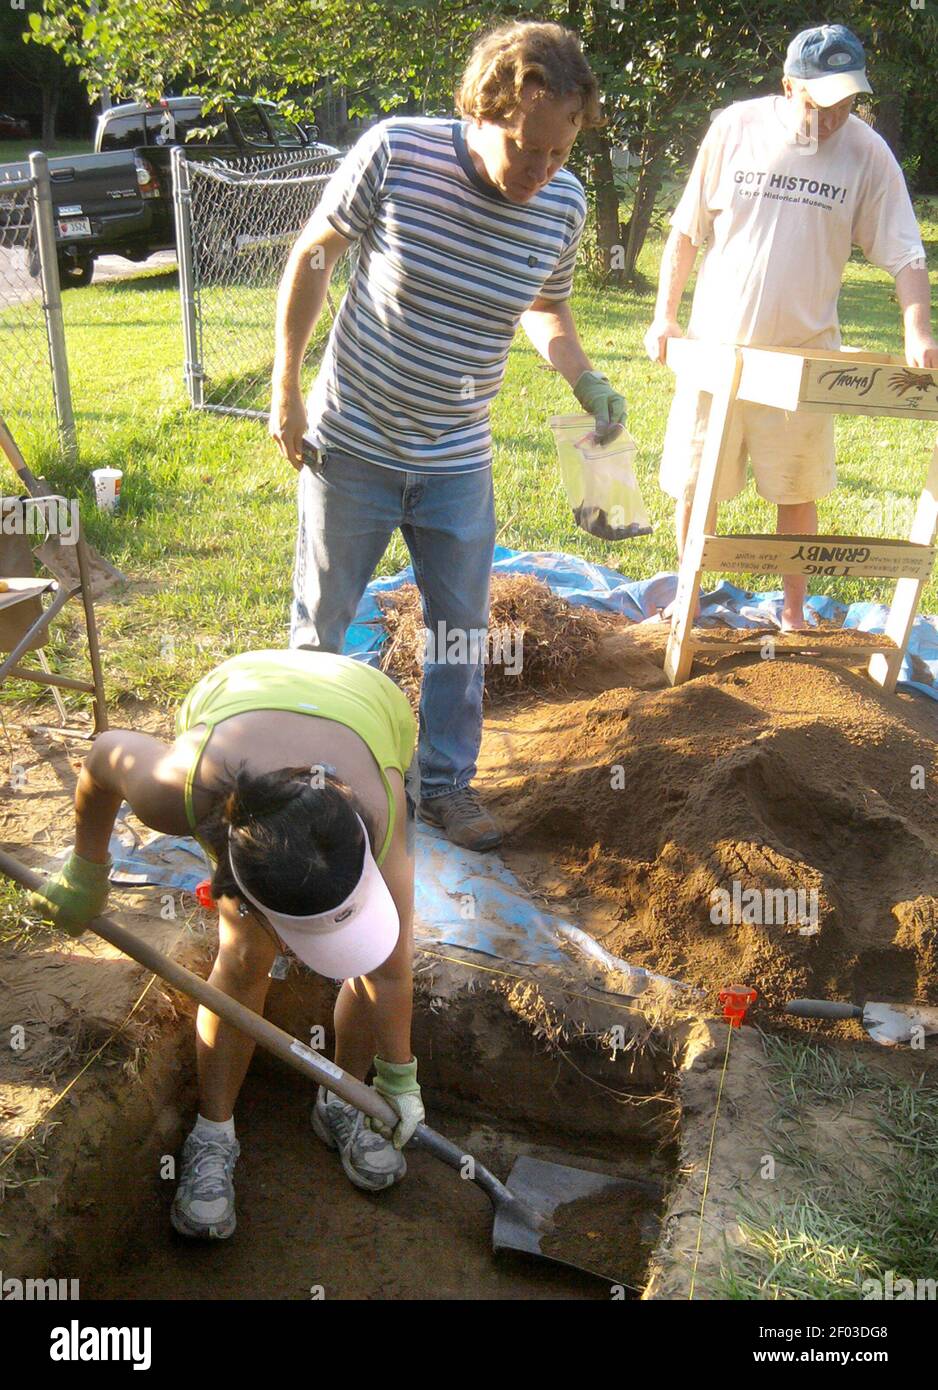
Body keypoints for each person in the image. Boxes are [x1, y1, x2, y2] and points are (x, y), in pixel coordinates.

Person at [270, 20, 626, 849]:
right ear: (485, 108)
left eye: (560, 153)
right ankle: (303, 785)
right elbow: (313, 257)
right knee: (322, 626)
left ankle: (446, 786)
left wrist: (584, 377)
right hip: (352, 440)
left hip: (457, 457)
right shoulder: (398, 153)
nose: (541, 171)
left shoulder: (561, 205)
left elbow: (545, 307)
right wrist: (286, 388)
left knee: (460, 631)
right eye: (526, 147)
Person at [27, 649, 423, 1239]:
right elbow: (104, 751)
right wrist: (87, 871)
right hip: (241, 691)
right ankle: (213, 1135)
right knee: (243, 959)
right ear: (231, 885)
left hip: (367, 704)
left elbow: (387, 973)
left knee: (373, 960)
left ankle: (344, 1097)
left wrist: (399, 1075)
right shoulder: (174, 793)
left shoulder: (381, 821)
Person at [644, 23, 937, 630]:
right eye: (819, 101)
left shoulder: (867, 152)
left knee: (796, 488)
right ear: (788, 86)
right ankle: (689, 600)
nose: (833, 116)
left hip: (804, 357)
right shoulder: (736, 128)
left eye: (847, 101)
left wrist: (919, 331)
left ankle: (795, 611)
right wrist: (665, 317)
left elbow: (907, 251)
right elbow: (686, 230)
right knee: (699, 485)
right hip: (717, 349)